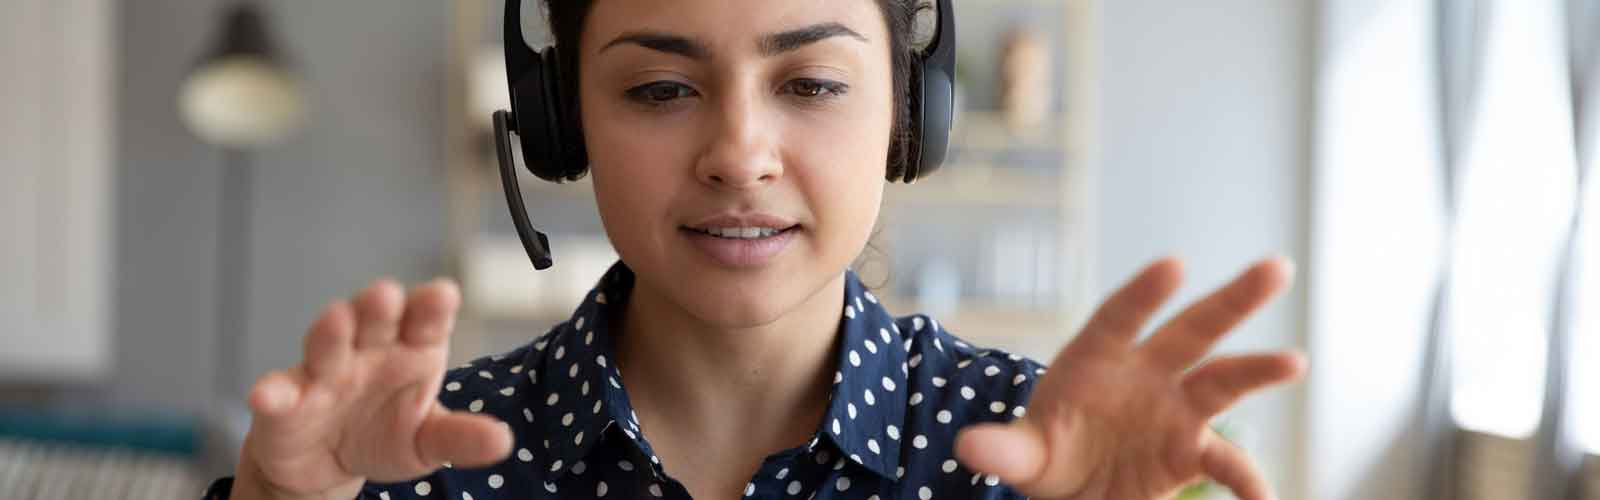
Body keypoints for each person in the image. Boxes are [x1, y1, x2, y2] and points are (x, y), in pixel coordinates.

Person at [204, 0, 1305, 498]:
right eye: (660, 87)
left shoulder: (1031, 457)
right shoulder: (417, 464)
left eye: (812, 84)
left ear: (907, 120)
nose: (739, 152)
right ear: (562, 122)